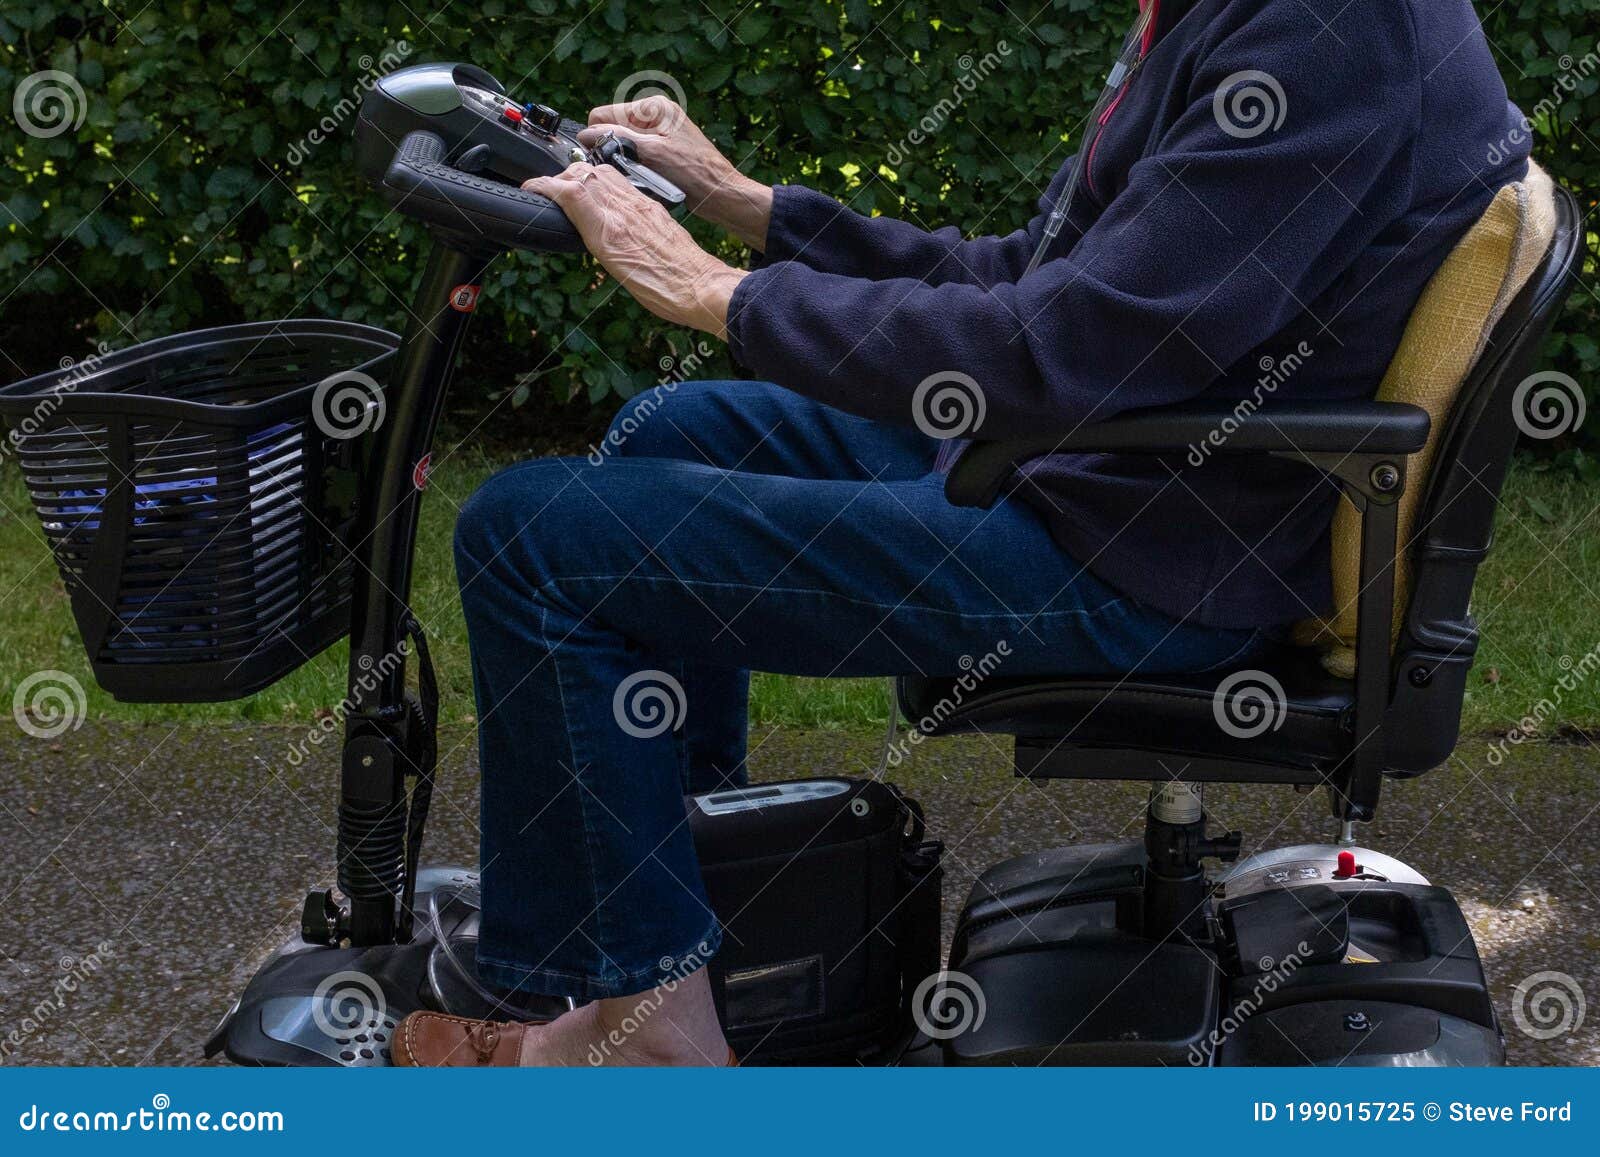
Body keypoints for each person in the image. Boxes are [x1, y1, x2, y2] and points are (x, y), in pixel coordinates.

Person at [390, 0, 1530, 1066]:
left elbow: (1063, 346)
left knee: (529, 538)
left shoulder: (1326, 38)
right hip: (1117, 476)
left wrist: (715, 294)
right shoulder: (1243, 20)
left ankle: (648, 1048)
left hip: (1149, 553)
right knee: (674, 430)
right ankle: (686, 943)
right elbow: (1035, 283)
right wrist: (751, 204)